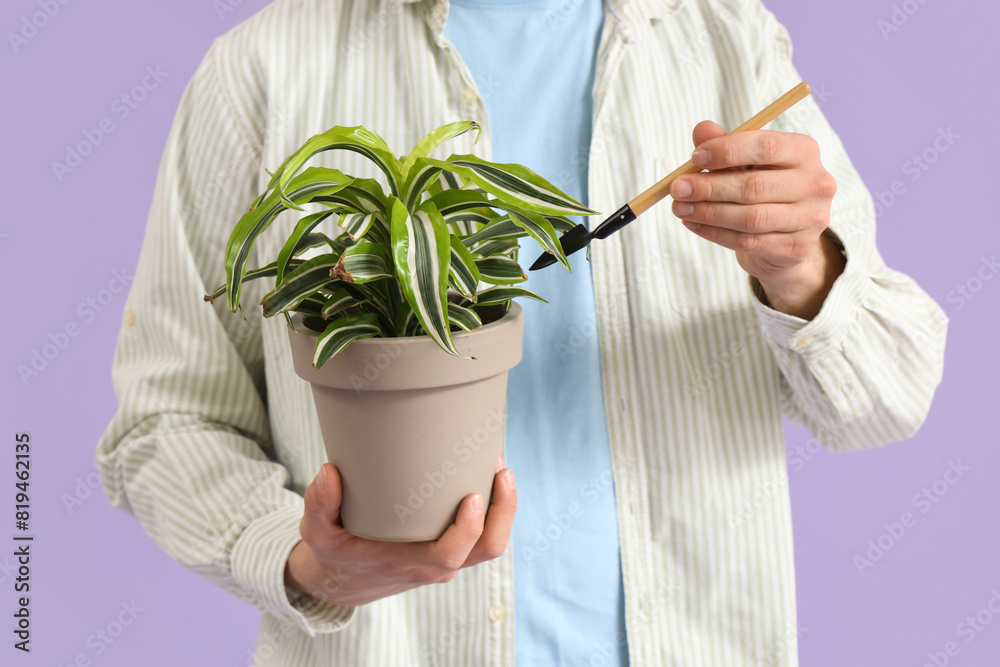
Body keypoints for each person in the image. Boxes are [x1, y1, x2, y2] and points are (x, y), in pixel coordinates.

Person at [95, 0, 947, 665]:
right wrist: (302, 563)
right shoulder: (264, 68)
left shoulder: (727, 40)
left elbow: (885, 400)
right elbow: (166, 419)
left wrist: (800, 269)